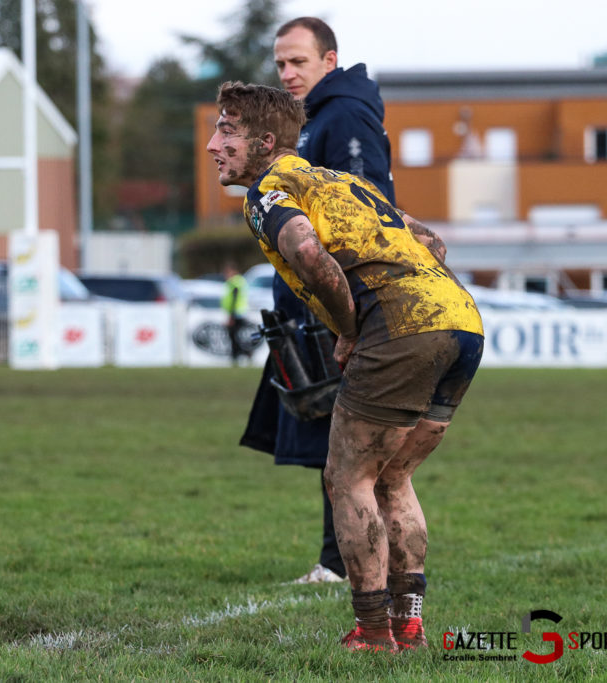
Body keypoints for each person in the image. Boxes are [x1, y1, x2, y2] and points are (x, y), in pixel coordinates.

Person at [207, 82, 484, 652]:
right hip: (461, 321)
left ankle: (374, 633)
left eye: (225, 131)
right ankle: (408, 629)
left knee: (347, 478)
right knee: (393, 477)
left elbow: (310, 255)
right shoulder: (343, 181)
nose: (212, 145)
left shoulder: (269, 189)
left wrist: (350, 332)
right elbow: (431, 240)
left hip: (403, 327)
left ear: (264, 142)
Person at [240, 16, 396, 586]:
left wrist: (347, 312)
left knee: (349, 446)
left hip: (338, 310)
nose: (287, 73)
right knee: (334, 443)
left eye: (298, 62)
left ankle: (344, 565)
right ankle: (347, 561)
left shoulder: (346, 114)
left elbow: (367, 209)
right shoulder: (306, 120)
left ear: (329, 61)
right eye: (280, 64)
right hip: (310, 307)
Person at [221, 262, 249, 364]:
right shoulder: (239, 281)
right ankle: (244, 352)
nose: (226, 275)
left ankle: (239, 354)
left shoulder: (234, 282)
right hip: (240, 312)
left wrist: (231, 316)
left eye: (227, 272)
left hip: (236, 313)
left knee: (233, 335)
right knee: (236, 335)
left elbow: (234, 299)